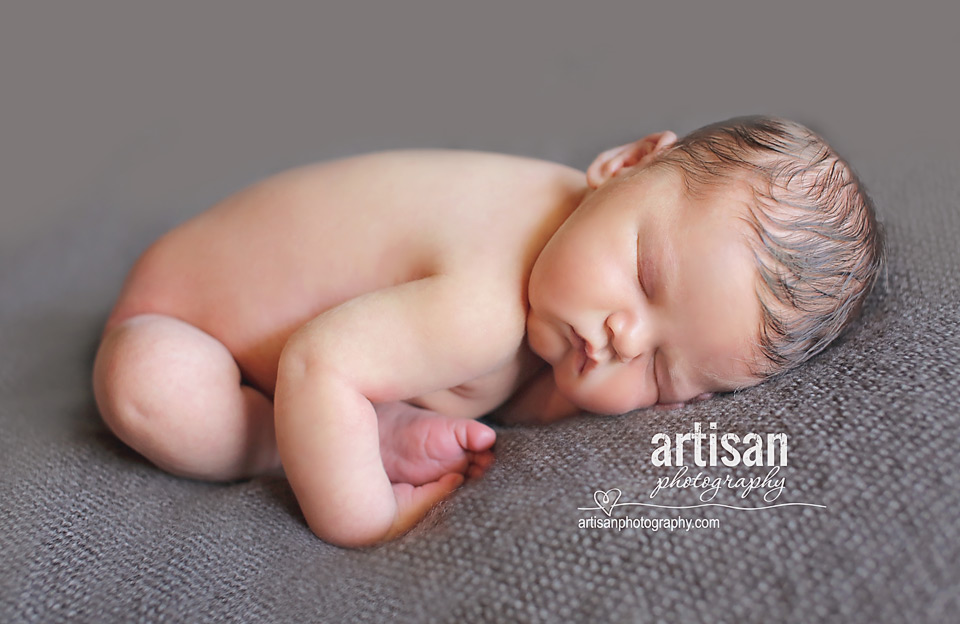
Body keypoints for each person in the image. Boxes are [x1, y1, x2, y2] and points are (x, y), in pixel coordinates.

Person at [91, 116, 884, 547]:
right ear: (626, 160)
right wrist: (364, 520)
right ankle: (311, 438)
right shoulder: (484, 306)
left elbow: (533, 379)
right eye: (644, 278)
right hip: (185, 318)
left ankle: (382, 416)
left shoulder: (569, 239)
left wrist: (588, 397)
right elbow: (317, 359)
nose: (620, 338)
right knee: (148, 390)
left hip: (343, 341)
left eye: (664, 372)